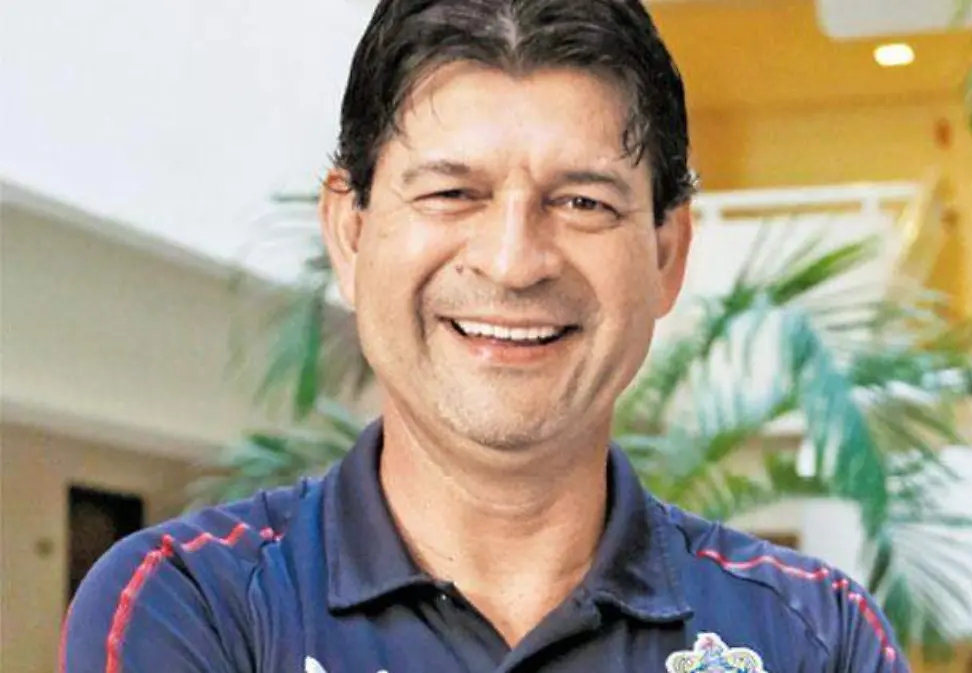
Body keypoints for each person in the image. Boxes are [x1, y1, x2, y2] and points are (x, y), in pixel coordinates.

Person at [61, 1, 909, 671]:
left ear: (665, 253)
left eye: (582, 201)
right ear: (350, 233)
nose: (512, 261)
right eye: (451, 193)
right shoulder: (197, 606)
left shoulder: (812, 633)